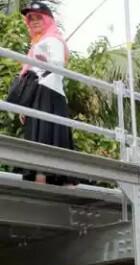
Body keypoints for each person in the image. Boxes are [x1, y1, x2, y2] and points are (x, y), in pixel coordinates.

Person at [16, 2, 74, 186]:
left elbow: (57, 64)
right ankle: (43, 179)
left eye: (38, 17)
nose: (33, 22)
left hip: (50, 93)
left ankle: (49, 180)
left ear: (47, 19)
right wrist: (24, 104)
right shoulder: (37, 43)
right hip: (38, 93)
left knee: (48, 136)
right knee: (39, 135)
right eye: (30, 18)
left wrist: (44, 60)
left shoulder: (52, 39)